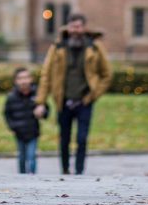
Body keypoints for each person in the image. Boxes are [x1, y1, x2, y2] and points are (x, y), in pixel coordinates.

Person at [35, 13, 112, 175]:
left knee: (82, 139)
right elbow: (46, 75)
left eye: (78, 26)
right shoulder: (57, 47)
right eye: (72, 27)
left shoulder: (94, 47)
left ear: (84, 28)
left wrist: (93, 95)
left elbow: (107, 74)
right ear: (68, 28)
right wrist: (41, 101)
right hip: (63, 100)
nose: (75, 30)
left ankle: (79, 172)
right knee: (64, 139)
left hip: (85, 101)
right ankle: (64, 170)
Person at [3, 67, 41, 174]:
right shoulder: (11, 97)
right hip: (19, 132)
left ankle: (33, 176)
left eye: (26, 77)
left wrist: (42, 111)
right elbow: (7, 113)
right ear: (16, 81)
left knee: (31, 156)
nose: (24, 81)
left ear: (31, 79)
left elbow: (45, 109)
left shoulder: (37, 95)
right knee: (22, 157)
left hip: (33, 131)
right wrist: (12, 126)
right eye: (20, 78)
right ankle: (22, 177)